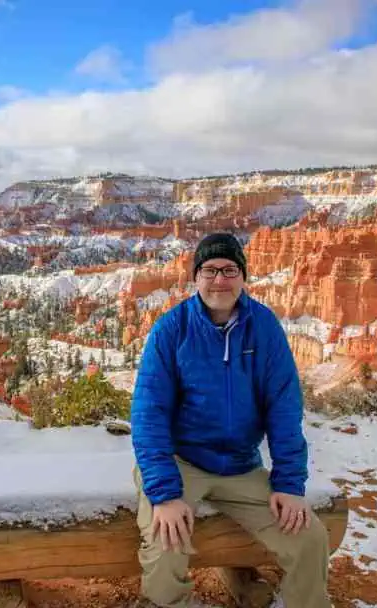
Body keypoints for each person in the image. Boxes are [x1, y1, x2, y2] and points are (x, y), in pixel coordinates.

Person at [130, 232, 331, 608]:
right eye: (209, 270)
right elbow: (147, 414)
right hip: (181, 461)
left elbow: (284, 407)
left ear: (243, 277)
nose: (219, 280)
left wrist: (289, 484)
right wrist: (164, 494)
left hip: (240, 465)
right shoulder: (171, 330)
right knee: (165, 538)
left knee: (309, 538)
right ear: (195, 277)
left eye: (229, 270)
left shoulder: (264, 327)